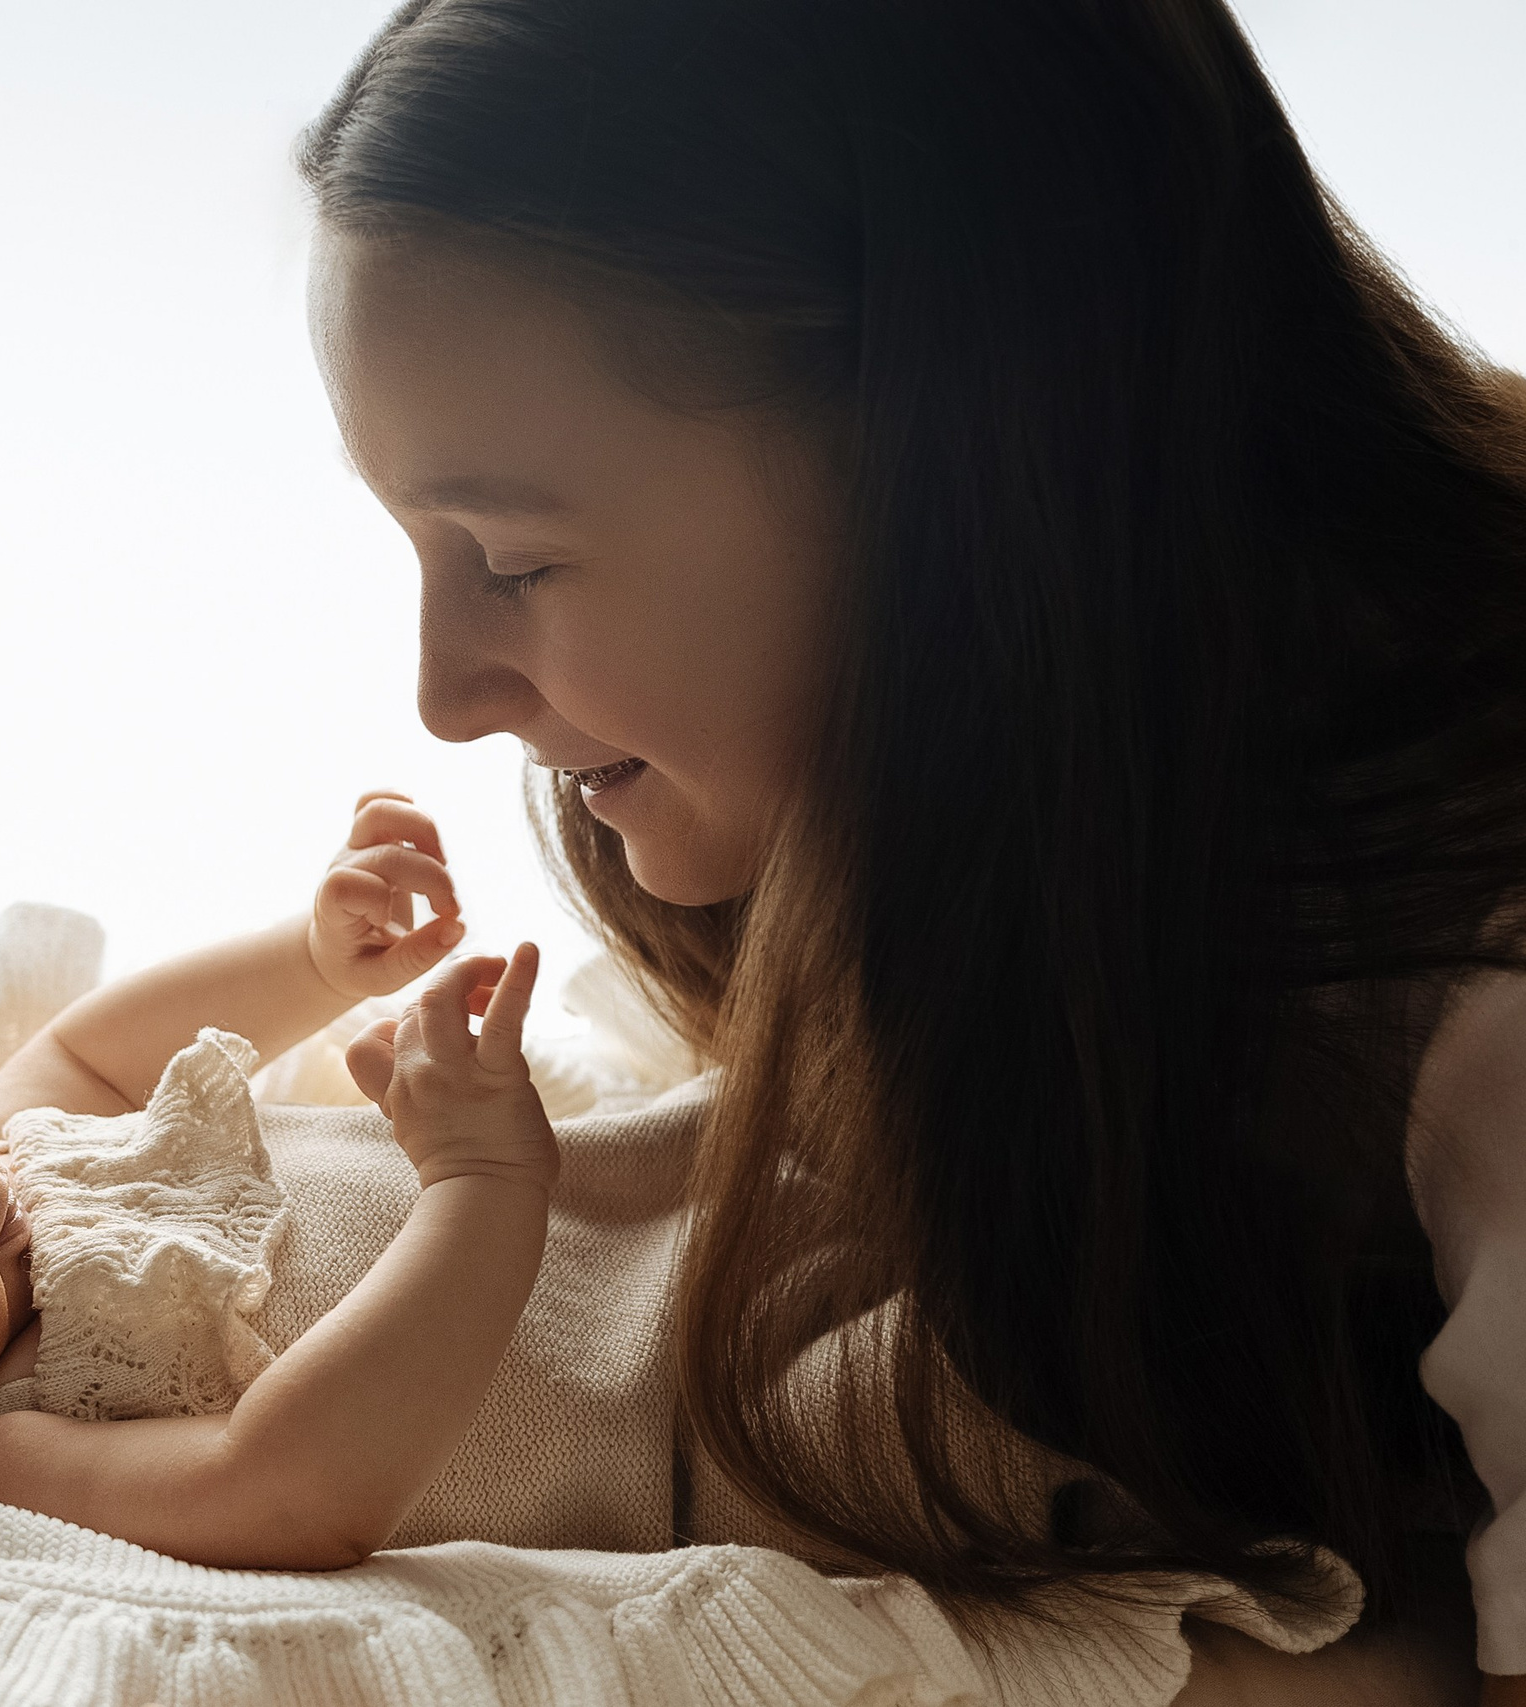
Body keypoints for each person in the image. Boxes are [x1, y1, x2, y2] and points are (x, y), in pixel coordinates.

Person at [296, 0, 1526, 1699]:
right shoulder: (1011, 859)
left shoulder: (1478, 979)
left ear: (958, 469)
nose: (443, 695)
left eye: (512, 558)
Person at [0, 793, 569, 1569]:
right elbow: (287, 1488)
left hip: (614, 1189)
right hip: (629, 1397)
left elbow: (88, 1052)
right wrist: (481, 1177)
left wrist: (311, 960)